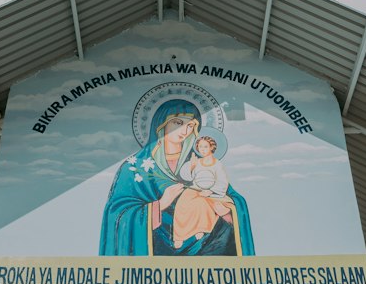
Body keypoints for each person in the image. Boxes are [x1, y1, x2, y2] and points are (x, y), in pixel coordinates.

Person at [99, 98, 254, 257]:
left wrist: (226, 210)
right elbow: (117, 214)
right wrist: (160, 205)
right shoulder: (135, 168)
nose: (184, 131)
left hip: (207, 247)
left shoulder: (202, 164)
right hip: (157, 255)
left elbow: (230, 196)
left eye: (191, 125)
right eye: (178, 123)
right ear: (162, 124)